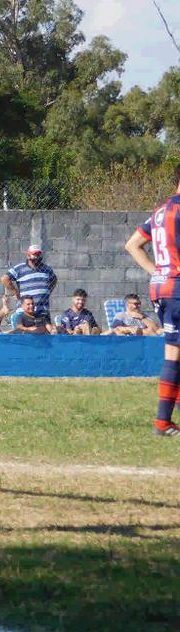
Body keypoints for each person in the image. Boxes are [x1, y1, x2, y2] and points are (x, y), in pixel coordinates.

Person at [125, 167, 180, 436]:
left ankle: (166, 418)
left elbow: (133, 244)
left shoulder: (160, 211)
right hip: (177, 286)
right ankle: (162, 421)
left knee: (174, 350)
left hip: (161, 287)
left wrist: (158, 271)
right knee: (174, 352)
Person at [1, 244, 58, 322]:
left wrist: (47, 292)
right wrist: (15, 292)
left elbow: (54, 279)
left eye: (38, 254)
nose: (37, 257)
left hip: (43, 311)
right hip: (24, 313)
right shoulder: (20, 268)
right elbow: (4, 279)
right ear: (28, 255)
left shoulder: (47, 269)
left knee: (45, 332)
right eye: (34, 254)